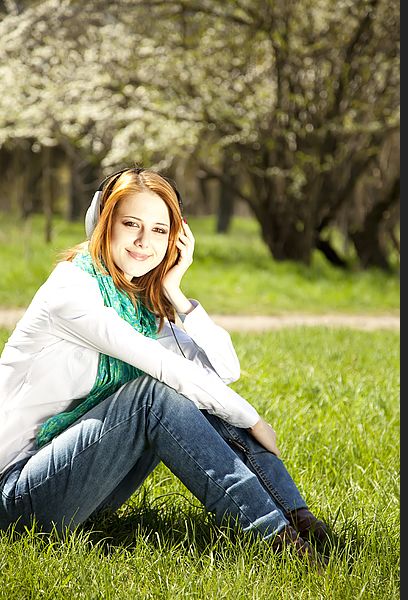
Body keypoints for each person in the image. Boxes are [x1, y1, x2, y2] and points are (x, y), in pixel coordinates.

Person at [0, 168, 328, 567]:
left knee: (192, 390)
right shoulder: (70, 293)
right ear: (101, 223)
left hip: (77, 483)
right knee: (155, 394)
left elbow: (221, 370)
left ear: (175, 239)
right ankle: (275, 540)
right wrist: (252, 418)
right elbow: (160, 365)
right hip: (15, 495)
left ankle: (300, 521)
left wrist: (176, 293)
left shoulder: (135, 304)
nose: (144, 241)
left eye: (159, 230)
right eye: (131, 224)